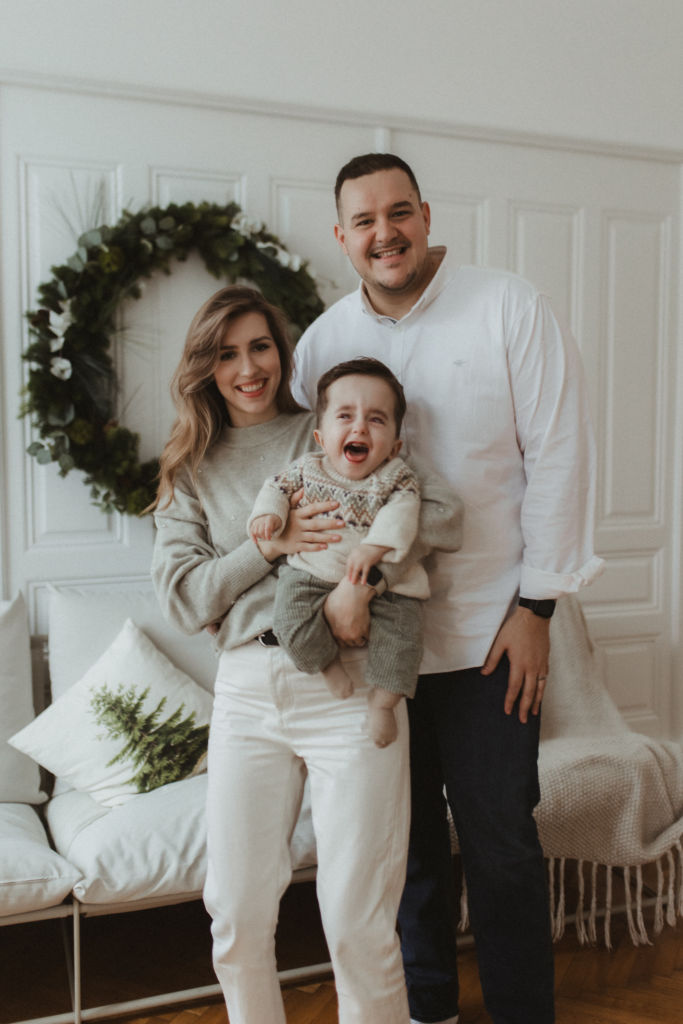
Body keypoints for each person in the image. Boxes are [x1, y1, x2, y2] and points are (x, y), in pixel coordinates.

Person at [292, 153, 605, 1024]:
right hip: (372, 646)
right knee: (406, 849)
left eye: (398, 213)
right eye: (364, 221)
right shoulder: (320, 343)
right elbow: (304, 472)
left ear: (425, 216)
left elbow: (560, 456)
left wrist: (536, 609)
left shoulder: (509, 306)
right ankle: (425, 1009)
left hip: (489, 635)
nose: (384, 234)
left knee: (501, 843)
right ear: (341, 235)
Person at [150, 284, 461, 1024]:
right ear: (206, 367)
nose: (247, 368)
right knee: (236, 914)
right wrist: (267, 547)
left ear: (282, 354)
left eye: (260, 347)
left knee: (358, 920)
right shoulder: (190, 468)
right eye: (227, 353)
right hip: (248, 690)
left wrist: (364, 582)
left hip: (350, 687)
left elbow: (432, 516)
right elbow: (184, 598)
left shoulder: (330, 426)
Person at [249, 356, 458, 748]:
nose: (359, 427)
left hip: (386, 586)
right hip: (310, 573)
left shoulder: (395, 476)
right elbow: (275, 488)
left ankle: (383, 704)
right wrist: (269, 517)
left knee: (404, 640)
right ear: (320, 437)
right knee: (289, 621)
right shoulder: (307, 468)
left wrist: (375, 548)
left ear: (395, 446)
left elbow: (404, 512)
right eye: (345, 416)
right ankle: (326, 664)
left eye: (376, 419)